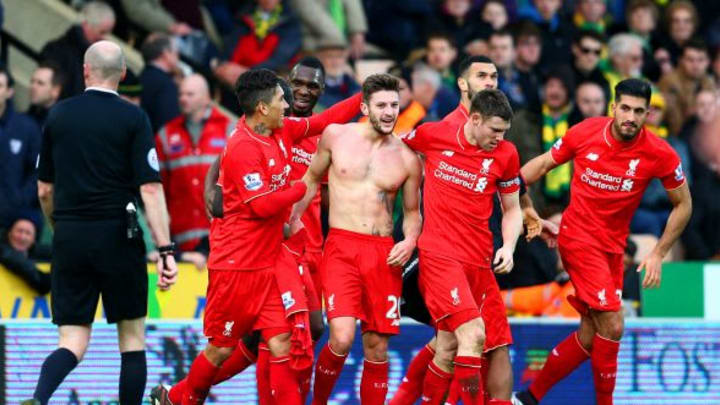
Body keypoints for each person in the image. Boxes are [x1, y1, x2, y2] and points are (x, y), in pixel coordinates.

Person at [151, 68, 362, 405]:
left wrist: (363, 97)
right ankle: (181, 398)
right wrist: (300, 188)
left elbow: (319, 123)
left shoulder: (281, 131)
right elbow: (263, 206)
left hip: (272, 261)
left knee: (283, 341)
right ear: (263, 107)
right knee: (221, 348)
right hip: (238, 265)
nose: (288, 103)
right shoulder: (242, 148)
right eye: (282, 98)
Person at [514, 78, 692, 405]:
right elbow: (537, 166)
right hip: (578, 239)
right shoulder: (585, 132)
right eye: (625, 108)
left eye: (639, 111)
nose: (631, 116)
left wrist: (657, 253)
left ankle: (527, 397)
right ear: (613, 107)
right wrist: (523, 205)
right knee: (613, 324)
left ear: (647, 114)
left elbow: (684, 203)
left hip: (613, 249)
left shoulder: (659, 153)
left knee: (590, 335)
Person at [26, 41, 178, 405]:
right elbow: (151, 190)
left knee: (73, 341)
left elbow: (45, 189)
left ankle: (38, 398)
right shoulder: (133, 118)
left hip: (71, 236)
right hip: (118, 235)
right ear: (123, 75)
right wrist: (165, 249)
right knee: (132, 340)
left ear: (85, 70)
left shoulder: (58, 116)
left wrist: (59, 227)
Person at [392, 56, 547, 405]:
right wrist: (409, 210)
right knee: (473, 337)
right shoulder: (437, 132)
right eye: (482, 75)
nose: (499, 139)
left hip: (480, 261)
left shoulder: (505, 153)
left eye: (494, 75)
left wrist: (509, 245)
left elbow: (512, 206)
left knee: (463, 344)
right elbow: (395, 149)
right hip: (439, 257)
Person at [293, 73, 422, 405]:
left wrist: (408, 242)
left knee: (377, 347)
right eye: (381, 105)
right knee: (341, 337)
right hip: (341, 247)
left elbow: (411, 213)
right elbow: (309, 180)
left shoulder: (408, 157)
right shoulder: (336, 136)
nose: (390, 112)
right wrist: (291, 218)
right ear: (364, 106)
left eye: (394, 105)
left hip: (383, 252)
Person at [156, 74, 233, 251]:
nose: (183, 99)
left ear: (206, 98)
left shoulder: (229, 130)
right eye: (181, 94)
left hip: (222, 237)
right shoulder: (165, 135)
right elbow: (159, 187)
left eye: (190, 94)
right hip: (181, 239)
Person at [40, 1, 115, 99]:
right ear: (86, 25)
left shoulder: (96, 60)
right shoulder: (57, 51)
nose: (104, 38)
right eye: (102, 32)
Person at [0, 66, 42, 231]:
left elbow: (36, 171)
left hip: (11, 219)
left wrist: (19, 201)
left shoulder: (26, 127)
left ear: (9, 92)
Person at [658, 38, 716, 135]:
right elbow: (675, 127)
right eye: (690, 60)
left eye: (701, 60)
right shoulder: (669, 82)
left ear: (708, 62)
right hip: (679, 137)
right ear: (681, 61)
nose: (696, 65)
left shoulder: (708, 81)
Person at [139, 33, 181, 133]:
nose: (178, 57)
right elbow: (170, 125)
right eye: (176, 53)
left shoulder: (141, 77)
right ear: (166, 54)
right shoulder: (166, 85)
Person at [0, 216, 50, 295]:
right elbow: (41, 283)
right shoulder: (4, 252)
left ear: (34, 239)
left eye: (28, 233)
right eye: (19, 231)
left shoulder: (39, 252)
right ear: (9, 234)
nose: (22, 237)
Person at [27, 62, 64, 127]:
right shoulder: (27, 116)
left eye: (40, 83)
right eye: (32, 81)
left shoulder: (59, 125)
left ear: (55, 91)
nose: (33, 87)